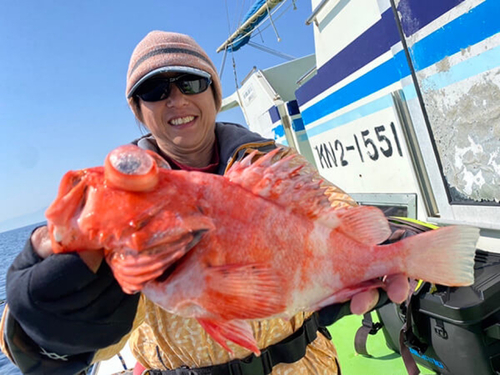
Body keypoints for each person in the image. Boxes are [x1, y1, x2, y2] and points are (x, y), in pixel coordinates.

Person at [0, 31, 410, 375]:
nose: (176, 99)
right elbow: (21, 340)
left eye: (191, 83)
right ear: (139, 112)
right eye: (155, 90)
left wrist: (392, 246)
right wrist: (39, 333)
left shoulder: (275, 164)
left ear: (215, 94)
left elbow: (335, 213)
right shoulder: (121, 206)